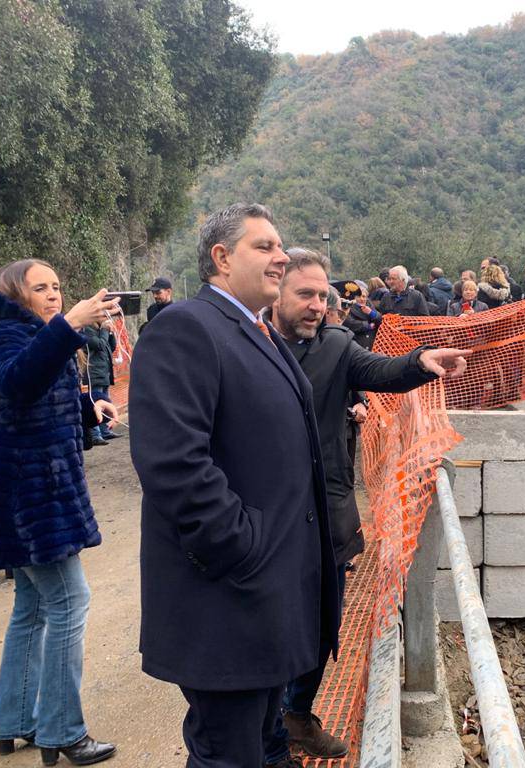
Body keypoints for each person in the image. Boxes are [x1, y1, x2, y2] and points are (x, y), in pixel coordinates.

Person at [129, 203, 340, 768]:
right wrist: (242, 546)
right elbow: (174, 463)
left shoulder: (258, 333)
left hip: (267, 597)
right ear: (221, 258)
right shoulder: (186, 327)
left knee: (266, 744)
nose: (281, 257)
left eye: (281, 246)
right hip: (230, 597)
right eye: (265, 247)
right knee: (230, 752)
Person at [266, 250, 468, 762]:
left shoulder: (336, 346)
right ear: (276, 293)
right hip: (265, 517)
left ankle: (296, 716)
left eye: (320, 296)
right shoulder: (250, 344)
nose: (315, 306)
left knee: (321, 626)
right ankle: (266, 738)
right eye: (303, 295)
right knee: (269, 628)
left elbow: (381, 370)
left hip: (328, 511)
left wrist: (419, 362)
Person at [0, 260, 120, 765]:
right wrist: (71, 325)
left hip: (32, 485)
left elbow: (31, 398)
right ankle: (63, 731)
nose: (52, 294)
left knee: (33, 605)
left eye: (57, 287)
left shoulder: (27, 330)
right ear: (15, 293)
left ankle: (16, 720)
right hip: (31, 490)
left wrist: (91, 411)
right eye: (40, 288)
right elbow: (18, 382)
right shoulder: (2, 330)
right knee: (69, 601)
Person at [84, 318, 119, 442]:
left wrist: (110, 333)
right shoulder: (87, 329)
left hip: (104, 372)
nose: (105, 318)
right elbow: (99, 345)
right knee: (95, 403)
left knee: (105, 402)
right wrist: (104, 330)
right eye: (103, 315)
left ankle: (105, 431)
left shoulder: (101, 331)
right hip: (94, 372)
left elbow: (110, 347)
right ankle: (95, 434)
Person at [342, 285, 381, 350]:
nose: (362, 299)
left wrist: (371, 313)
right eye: (359, 296)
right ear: (354, 297)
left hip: (372, 345)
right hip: (356, 344)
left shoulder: (370, 306)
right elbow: (349, 322)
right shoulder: (349, 307)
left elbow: (380, 319)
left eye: (364, 296)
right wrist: (368, 326)